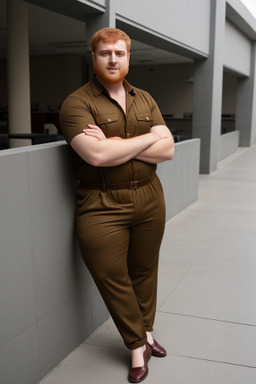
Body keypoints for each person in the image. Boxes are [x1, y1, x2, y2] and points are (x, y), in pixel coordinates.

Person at [59, 27, 174, 383]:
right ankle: (136, 346)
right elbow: (96, 156)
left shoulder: (145, 98)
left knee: (144, 270)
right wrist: (146, 139)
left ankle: (148, 333)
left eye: (119, 53)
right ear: (93, 58)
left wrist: (115, 144)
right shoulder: (76, 103)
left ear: (128, 58)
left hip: (150, 195)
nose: (112, 59)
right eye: (105, 53)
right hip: (101, 202)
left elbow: (168, 149)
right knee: (112, 275)